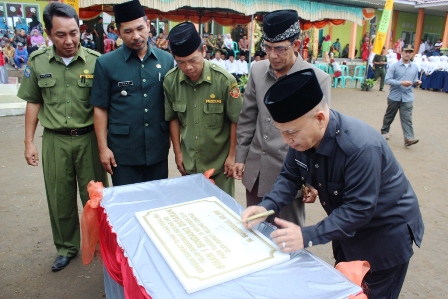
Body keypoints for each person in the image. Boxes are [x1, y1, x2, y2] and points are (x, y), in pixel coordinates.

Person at [241, 68, 424, 299]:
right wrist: (265, 206)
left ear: (319, 118)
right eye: (281, 132)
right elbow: (289, 178)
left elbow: (359, 208)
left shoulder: (360, 147)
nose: (286, 140)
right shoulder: (301, 140)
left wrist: (307, 235)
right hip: (347, 235)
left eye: (291, 132)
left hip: (384, 238)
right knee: (345, 290)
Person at [17, 1, 108, 272]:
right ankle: (66, 247)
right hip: (55, 140)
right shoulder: (38, 62)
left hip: (88, 139)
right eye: (61, 34)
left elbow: (102, 107)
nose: (69, 40)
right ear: (48, 33)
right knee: (60, 197)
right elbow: (33, 102)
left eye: (74, 33)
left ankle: (102, 244)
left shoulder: (96, 61)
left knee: (96, 196)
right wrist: (28, 142)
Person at [234, 10, 331, 226]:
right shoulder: (257, 71)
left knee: (286, 241)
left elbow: (319, 136)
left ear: (296, 45)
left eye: (279, 49)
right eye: (267, 47)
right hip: (257, 171)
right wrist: (240, 157)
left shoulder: (316, 79)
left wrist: (311, 179)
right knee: (254, 232)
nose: (272, 55)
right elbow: (248, 118)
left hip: (291, 177)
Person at [90, 0, 174, 187]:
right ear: (118, 32)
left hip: (157, 149)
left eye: (140, 28)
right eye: (128, 31)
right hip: (122, 153)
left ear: (149, 26)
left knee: (157, 204)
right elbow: (100, 109)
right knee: (127, 206)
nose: (136, 36)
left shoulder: (166, 60)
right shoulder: (106, 63)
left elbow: (171, 106)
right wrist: (103, 148)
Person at [164, 22, 243, 197]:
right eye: (181, 63)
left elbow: (236, 120)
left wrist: (232, 156)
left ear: (204, 50)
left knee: (222, 217)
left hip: (220, 167)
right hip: (190, 166)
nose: (188, 67)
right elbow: (173, 119)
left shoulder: (224, 81)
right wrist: (178, 154)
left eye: (193, 60)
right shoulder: (171, 81)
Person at [381, 44, 421, 146]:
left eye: (410, 52)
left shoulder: (415, 67)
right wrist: (401, 83)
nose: (408, 54)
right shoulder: (394, 66)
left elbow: (415, 79)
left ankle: (408, 138)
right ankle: (385, 131)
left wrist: (417, 82)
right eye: (406, 52)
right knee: (390, 115)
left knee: (407, 118)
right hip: (394, 95)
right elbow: (387, 79)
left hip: (408, 97)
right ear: (401, 53)